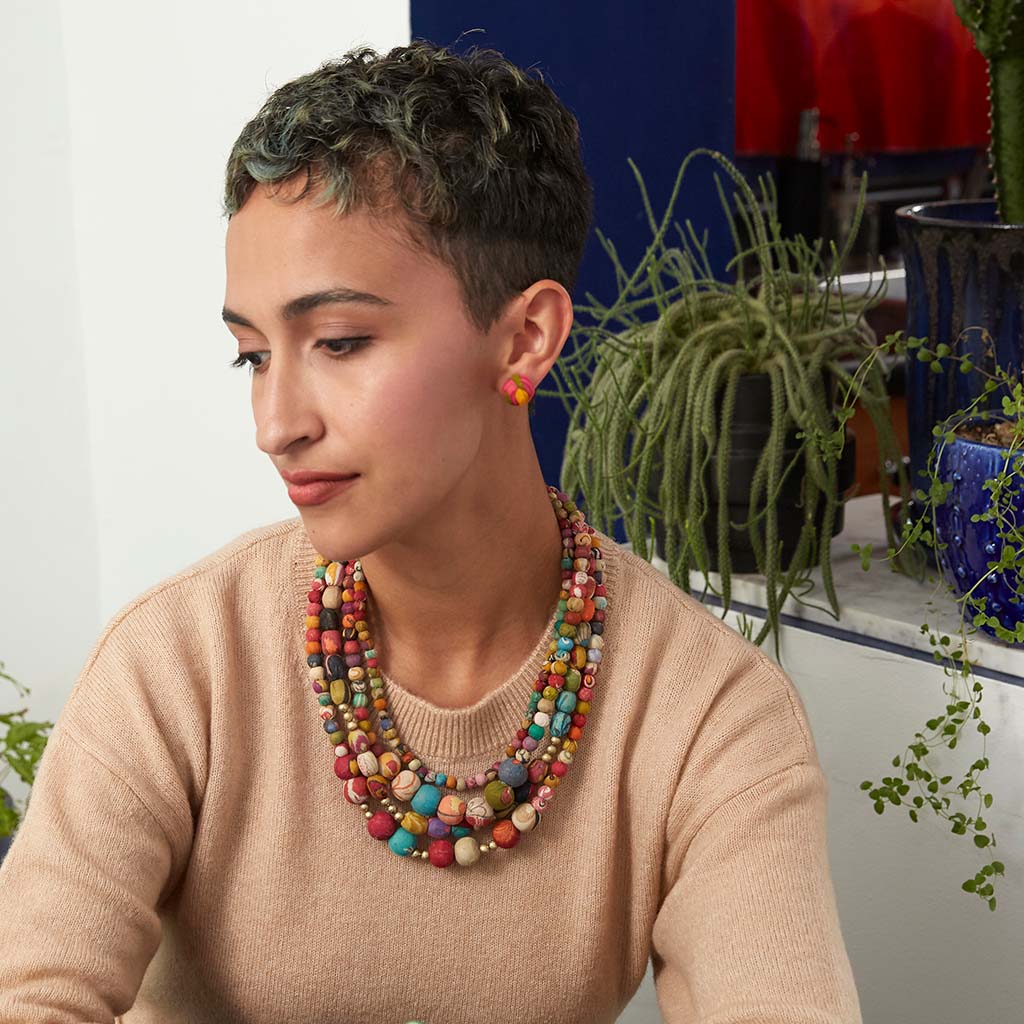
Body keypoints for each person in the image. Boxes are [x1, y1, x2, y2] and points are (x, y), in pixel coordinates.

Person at [0, 38, 863, 1024]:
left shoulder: (709, 715)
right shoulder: (176, 665)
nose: (276, 422)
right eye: (251, 355)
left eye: (338, 342)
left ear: (525, 337)